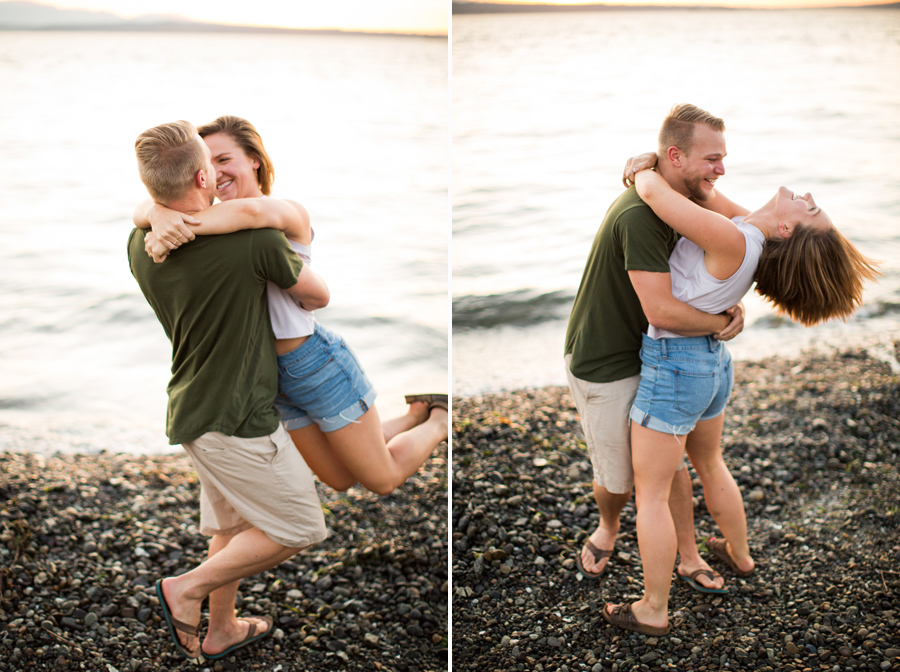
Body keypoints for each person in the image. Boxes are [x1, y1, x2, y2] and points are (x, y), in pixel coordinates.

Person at [601, 156, 879, 636]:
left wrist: (641, 170)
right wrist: (680, 169)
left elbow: (655, 196)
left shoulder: (734, 238)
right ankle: (740, 556)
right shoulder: (746, 230)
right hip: (712, 365)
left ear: (788, 228)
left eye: (812, 210)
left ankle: (653, 608)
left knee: (650, 493)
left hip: (675, 368)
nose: (810, 198)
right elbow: (706, 197)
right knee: (711, 464)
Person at [134, 115, 449, 496]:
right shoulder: (213, 226)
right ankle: (415, 413)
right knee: (339, 478)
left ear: (253, 159)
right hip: (267, 378)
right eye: (209, 163)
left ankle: (441, 420)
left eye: (224, 159)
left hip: (312, 362)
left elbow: (252, 216)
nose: (215, 173)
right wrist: (154, 211)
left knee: (380, 479)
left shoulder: (283, 211)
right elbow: (145, 209)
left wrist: (161, 216)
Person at [129, 120, 331, 661]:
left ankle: (221, 630)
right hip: (238, 417)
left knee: (236, 526)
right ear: (202, 174)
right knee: (299, 527)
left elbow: (146, 212)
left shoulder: (141, 243)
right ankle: (185, 588)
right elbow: (317, 296)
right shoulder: (255, 242)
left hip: (192, 407)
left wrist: (158, 212)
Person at [564, 104, 744, 593]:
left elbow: (747, 226)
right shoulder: (644, 214)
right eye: (712, 159)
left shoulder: (681, 197)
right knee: (619, 480)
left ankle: (688, 556)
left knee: (666, 464)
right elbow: (662, 311)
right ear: (675, 157)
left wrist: (728, 305)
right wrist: (720, 321)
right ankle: (608, 525)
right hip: (605, 360)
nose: (721, 169)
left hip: (657, 352)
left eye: (722, 158)